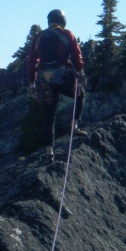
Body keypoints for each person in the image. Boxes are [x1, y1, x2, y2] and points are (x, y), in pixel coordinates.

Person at [26, 9, 87, 161]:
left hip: (45, 79)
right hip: (64, 76)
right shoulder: (67, 34)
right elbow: (76, 55)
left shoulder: (39, 37)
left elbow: (32, 61)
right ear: (62, 20)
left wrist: (32, 82)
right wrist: (80, 73)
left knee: (49, 115)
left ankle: (49, 153)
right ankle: (74, 128)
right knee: (80, 96)